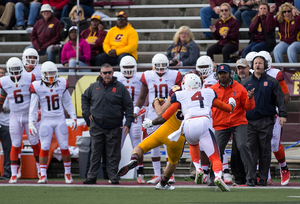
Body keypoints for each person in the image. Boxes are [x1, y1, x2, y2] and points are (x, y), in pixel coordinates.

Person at [142, 73, 237, 191]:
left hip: (188, 125)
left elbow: (164, 116)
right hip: (203, 123)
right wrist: (232, 104)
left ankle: (198, 168)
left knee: (193, 144)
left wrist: (151, 123)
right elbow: (226, 108)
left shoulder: (179, 95)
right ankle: (217, 176)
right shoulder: (208, 92)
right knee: (215, 157)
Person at [118, 71, 201, 189]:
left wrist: (156, 101)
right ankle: (163, 183)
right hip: (179, 135)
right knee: (172, 163)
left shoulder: (177, 92)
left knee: (140, 147)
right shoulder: (203, 96)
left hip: (165, 129)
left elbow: (160, 112)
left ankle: (134, 159)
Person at [133, 53, 182, 184]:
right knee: (153, 144)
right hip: (152, 112)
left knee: (168, 142)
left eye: (163, 65)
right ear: (153, 66)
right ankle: (156, 174)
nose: (160, 68)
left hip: (170, 111)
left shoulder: (175, 75)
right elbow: (143, 96)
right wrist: (136, 109)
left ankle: (169, 174)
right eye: (158, 65)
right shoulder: (147, 75)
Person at [81, 63, 134, 184]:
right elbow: (84, 98)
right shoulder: (94, 86)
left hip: (115, 126)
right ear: (100, 74)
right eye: (104, 73)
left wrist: (128, 123)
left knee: (113, 154)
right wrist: (86, 113)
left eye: (109, 72)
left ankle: (113, 177)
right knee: (95, 152)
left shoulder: (120, 88)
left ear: (113, 73)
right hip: (96, 125)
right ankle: (91, 177)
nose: (107, 75)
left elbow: (129, 106)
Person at [28, 61, 77, 184]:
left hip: (60, 119)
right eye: (48, 73)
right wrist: (30, 122)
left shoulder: (62, 83)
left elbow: (68, 102)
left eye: (53, 72)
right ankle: (43, 175)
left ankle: (67, 173)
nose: (50, 75)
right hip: (46, 120)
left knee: (64, 147)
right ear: (43, 73)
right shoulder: (37, 85)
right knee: (44, 147)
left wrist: (73, 116)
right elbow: (33, 107)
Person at [243, 55, 288, 186]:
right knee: (251, 151)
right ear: (252, 66)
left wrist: (283, 115)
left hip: (266, 120)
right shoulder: (245, 82)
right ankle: (251, 178)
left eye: (260, 63)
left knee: (265, 150)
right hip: (249, 121)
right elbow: (240, 101)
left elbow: (280, 100)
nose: (258, 65)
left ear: (265, 65)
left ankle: (263, 179)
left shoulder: (273, 82)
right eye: (256, 63)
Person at [210, 64, 256, 186]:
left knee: (242, 146)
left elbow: (248, 107)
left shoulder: (239, 88)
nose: (222, 75)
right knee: (216, 149)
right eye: (220, 73)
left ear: (229, 73)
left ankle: (250, 178)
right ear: (217, 75)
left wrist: (250, 98)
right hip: (220, 123)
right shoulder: (212, 89)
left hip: (238, 122)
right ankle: (213, 178)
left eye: (224, 73)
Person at [0, 57, 41, 183]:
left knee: (34, 142)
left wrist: (38, 110)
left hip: (29, 114)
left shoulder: (30, 77)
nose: (16, 72)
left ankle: (41, 171)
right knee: (16, 144)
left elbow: (36, 96)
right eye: (13, 70)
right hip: (15, 115)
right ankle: (13, 174)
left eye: (18, 69)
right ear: (8, 70)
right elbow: (1, 99)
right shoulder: (4, 81)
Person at [256, 51, 291, 185]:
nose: (258, 65)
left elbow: (285, 95)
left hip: (273, 113)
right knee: (260, 144)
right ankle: (266, 175)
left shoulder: (276, 74)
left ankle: (284, 169)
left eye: (261, 62)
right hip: (258, 114)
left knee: (274, 145)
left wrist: (280, 110)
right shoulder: (254, 74)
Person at [113, 56, 145, 183]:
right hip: (120, 115)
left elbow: (143, 96)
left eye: (130, 67)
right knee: (117, 146)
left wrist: (138, 110)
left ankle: (140, 174)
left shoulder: (141, 77)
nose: (128, 70)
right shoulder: (116, 77)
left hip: (134, 115)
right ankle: (113, 173)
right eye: (125, 67)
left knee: (137, 145)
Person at [0, 67, 11, 180]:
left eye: (3, 73)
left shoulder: (10, 87)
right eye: (0, 73)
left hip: (6, 122)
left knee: (8, 148)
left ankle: (8, 172)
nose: (1, 75)